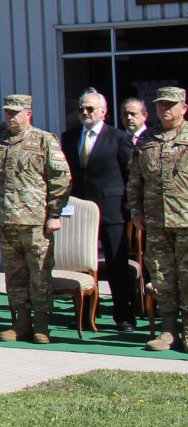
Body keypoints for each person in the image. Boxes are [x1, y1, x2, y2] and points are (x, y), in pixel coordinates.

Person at [0, 94, 72, 343]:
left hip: (36, 222)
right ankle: (20, 323)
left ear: (28, 114)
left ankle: (41, 325)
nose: (10, 116)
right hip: (7, 221)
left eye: (15, 112)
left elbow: (61, 179)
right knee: (15, 275)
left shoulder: (44, 141)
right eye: (7, 112)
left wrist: (54, 213)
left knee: (39, 274)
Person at [62, 88, 137, 331]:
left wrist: (132, 208)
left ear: (103, 112)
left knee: (116, 264)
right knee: (81, 264)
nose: (85, 112)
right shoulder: (69, 137)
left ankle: (124, 316)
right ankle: (85, 316)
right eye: (81, 108)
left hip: (112, 210)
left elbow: (132, 175)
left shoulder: (118, 138)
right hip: (80, 213)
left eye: (90, 108)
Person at [129, 86, 186, 351]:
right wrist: (136, 212)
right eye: (161, 105)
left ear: (183, 108)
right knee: (162, 277)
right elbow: (135, 181)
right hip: (156, 222)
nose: (165, 109)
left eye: (170, 105)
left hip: (185, 220)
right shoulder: (146, 140)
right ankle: (168, 331)